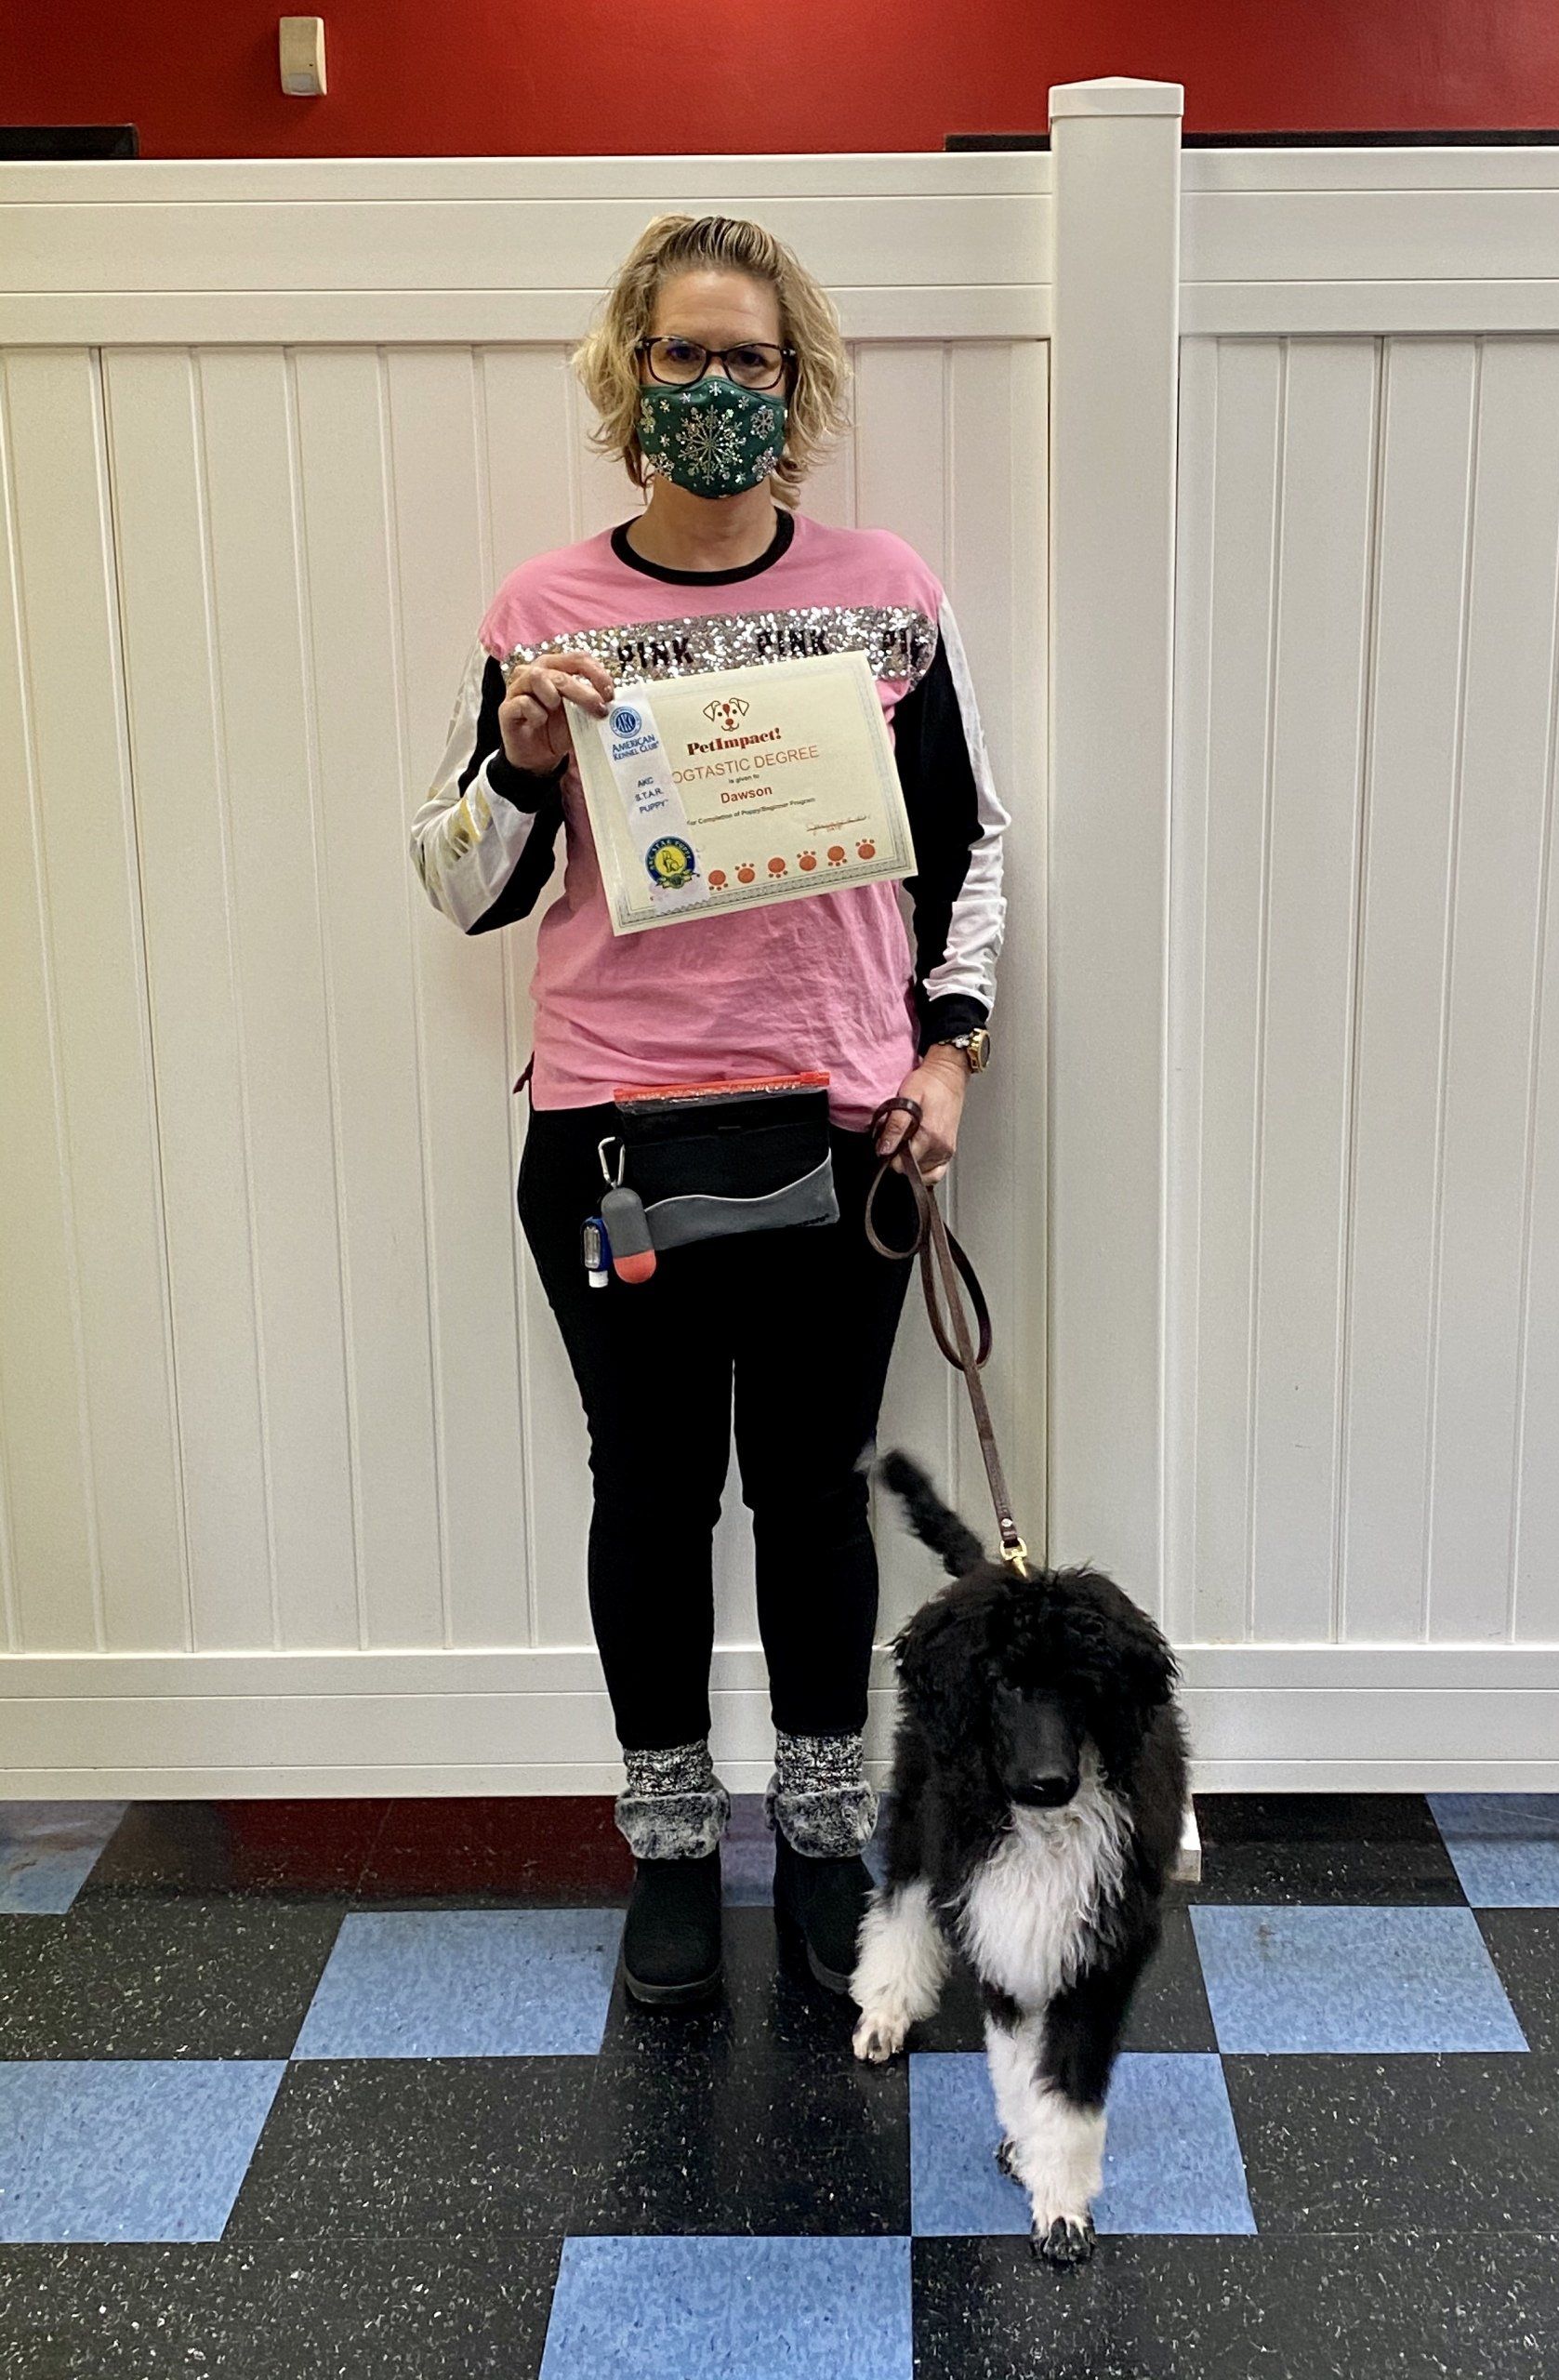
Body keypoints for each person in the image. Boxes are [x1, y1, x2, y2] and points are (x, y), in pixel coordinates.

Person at [409, 212, 1008, 2008]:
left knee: (815, 1500)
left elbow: (970, 840)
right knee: (653, 1500)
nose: (716, 388)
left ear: (797, 382)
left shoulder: (885, 590)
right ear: (627, 374)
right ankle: (673, 1860)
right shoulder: (544, 615)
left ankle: (824, 1847)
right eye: (683, 356)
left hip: (843, 1130)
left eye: (750, 360)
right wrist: (517, 760)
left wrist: (950, 1050)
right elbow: (459, 888)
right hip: (610, 1144)